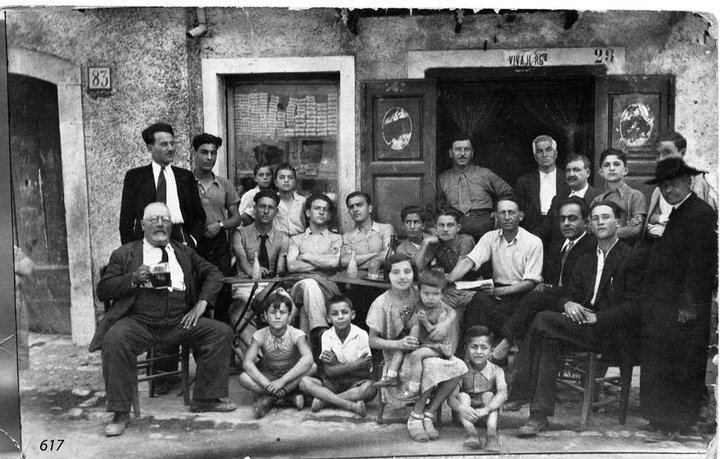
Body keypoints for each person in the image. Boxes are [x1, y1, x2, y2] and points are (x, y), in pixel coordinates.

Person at [90, 202, 235, 437]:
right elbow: (103, 289)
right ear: (142, 225)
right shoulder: (125, 253)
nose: (160, 224)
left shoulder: (183, 252)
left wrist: (201, 304)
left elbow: (214, 273)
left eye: (165, 220)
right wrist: (133, 278)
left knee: (220, 332)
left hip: (180, 322)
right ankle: (120, 412)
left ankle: (205, 399)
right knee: (115, 339)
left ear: (171, 225)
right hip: (139, 323)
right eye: (154, 219)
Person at [512, 201, 643, 437]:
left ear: (618, 223)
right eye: (595, 218)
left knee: (543, 319)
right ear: (590, 225)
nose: (600, 222)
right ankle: (538, 416)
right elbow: (570, 293)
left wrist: (598, 318)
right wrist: (568, 304)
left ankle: (519, 389)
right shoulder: (585, 259)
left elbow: (635, 307)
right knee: (548, 339)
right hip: (583, 328)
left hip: (612, 333)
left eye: (605, 217)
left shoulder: (632, 257)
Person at [639, 157, 717, 434]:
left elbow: (700, 265)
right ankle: (661, 418)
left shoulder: (701, 213)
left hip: (685, 304)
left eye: (673, 184)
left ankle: (678, 421)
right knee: (665, 359)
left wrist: (688, 304)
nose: (668, 190)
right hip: (665, 301)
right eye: (663, 186)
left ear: (689, 182)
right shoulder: (679, 212)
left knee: (683, 361)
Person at [366, 254, 467, 442]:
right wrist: (398, 344)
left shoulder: (421, 291)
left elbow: (450, 310)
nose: (402, 277)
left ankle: (429, 412)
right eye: (396, 272)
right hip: (398, 355)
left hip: (426, 347)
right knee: (429, 367)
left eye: (407, 271)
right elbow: (372, 341)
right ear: (387, 276)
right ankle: (416, 416)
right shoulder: (380, 303)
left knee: (460, 367)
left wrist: (445, 324)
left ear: (414, 274)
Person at [496, 197, 596, 368]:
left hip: (574, 304)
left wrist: (547, 290)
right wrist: (545, 285)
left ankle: (504, 346)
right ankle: (514, 360)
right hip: (553, 296)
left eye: (572, 218)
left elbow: (577, 290)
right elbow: (550, 276)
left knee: (534, 299)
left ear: (585, 222)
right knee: (504, 305)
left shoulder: (591, 247)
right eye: (562, 219)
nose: (566, 223)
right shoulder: (559, 244)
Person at [447, 198, 543, 364]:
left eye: (511, 212)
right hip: (497, 291)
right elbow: (469, 260)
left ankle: (494, 356)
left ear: (520, 216)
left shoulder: (533, 241)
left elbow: (530, 283)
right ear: (496, 217)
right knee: (477, 302)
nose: (507, 217)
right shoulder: (490, 237)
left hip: (521, 293)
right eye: (502, 213)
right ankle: (474, 357)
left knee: (514, 311)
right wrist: (449, 279)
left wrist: (500, 292)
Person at [119, 123, 206, 247]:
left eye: (172, 143)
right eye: (164, 144)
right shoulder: (135, 177)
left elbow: (199, 215)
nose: (170, 149)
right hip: (146, 241)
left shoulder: (185, 176)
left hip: (180, 239)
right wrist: (130, 251)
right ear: (150, 148)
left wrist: (192, 240)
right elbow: (126, 219)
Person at [239, 290, 316, 418]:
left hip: (291, 378)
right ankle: (287, 397)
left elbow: (308, 358)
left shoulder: (297, 334)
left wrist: (282, 381)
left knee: (313, 367)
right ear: (265, 316)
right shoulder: (259, 335)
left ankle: (270, 398)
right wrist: (266, 383)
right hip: (269, 376)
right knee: (243, 377)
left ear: (289, 316)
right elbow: (247, 362)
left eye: (282, 312)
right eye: (272, 312)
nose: (278, 316)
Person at [298, 295, 376, 416]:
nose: (340, 317)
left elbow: (365, 372)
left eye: (344, 312)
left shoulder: (361, 335)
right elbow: (329, 372)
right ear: (328, 318)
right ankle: (349, 405)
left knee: (370, 388)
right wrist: (356, 365)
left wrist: (337, 365)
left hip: (355, 383)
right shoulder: (326, 336)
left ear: (352, 315)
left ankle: (325, 401)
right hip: (332, 383)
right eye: (335, 314)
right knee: (304, 382)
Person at [192, 133, 241, 323]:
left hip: (219, 246)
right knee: (196, 294)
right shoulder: (185, 182)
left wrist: (220, 225)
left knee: (222, 297)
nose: (209, 157)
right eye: (204, 152)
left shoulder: (224, 184)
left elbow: (236, 218)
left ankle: (223, 340)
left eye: (213, 153)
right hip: (194, 245)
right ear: (195, 153)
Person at [287, 194, 342, 356]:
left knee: (306, 310)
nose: (321, 212)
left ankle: (308, 358)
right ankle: (321, 332)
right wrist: (323, 261)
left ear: (329, 215)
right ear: (308, 213)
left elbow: (334, 262)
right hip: (298, 287)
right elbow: (292, 266)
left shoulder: (336, 238)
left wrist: (306, 256)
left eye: (325, 209)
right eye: (317, 208)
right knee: (309, 284)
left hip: (327, 290)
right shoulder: (296, 239)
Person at [394, 270, 457, 401]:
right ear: (420, 292)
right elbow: (411, 325)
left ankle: (414, 388)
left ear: (442, 294)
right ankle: (391, 376)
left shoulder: (442, 312)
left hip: (438, 347)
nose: (430, 298)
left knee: (416, 355)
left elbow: (437, 337)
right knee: (401, 347)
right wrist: (411, 321)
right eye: (426, 293)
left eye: (435, 294)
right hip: (424, 344)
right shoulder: (420, 306)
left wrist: (426, 322)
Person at [436, 136, 514, 241]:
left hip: (484, 223)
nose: (462, 154)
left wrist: (498, 211)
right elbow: (440, 208)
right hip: (457, 226)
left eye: (466, 149)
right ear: (450, 153)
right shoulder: (442, 179)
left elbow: (508, 192)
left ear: (472, 153)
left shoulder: (485, 174)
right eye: (458, 149)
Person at [230, 190, 290, 325]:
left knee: (287, 306)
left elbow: (280, 273)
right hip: (245, 285)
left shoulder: (282, 238)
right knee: (237, 310)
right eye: (262, 206)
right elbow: (243, 263)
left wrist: (265, 292)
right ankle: (251, 340)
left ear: (276, 211)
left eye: (271, 208)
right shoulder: (240, 234)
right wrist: (254, 272)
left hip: (271, 286)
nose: (266, 211)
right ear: (255, 208)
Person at [643, 131, 718, 240]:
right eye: (657, 155)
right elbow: (650, 221)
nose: (661, 159)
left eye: (667, 153)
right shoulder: (659, 188)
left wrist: (664, 225)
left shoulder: (701, 184)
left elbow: (704, 225)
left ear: (682, 153)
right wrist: (660, 219)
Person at [447, 326, 507, 452]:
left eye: (484, 347)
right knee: (463, 396)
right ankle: (472, 434)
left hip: (488, 415)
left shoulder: (497, 370)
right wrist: (462, 409)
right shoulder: (461, 370)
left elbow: (503, 394)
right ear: (466, 349)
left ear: (491, 350)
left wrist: (486, 409)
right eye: (474, 347)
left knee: (489, 395)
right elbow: (451, 399)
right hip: (466, 415)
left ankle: (491, 436)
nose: (478, 352)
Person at [414, 207, 476, 312]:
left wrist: (435, 277)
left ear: (458, 227)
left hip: (466, 288)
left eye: (450, 225)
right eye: (441, 225)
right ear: (436, 227)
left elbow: (457, 275)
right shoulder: (434, 243)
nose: (445, 229)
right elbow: (417, 267)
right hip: (446, 289)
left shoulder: (465, 240)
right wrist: (425, 243)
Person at [590, 148, 647, 246]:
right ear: (601, 172)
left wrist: (603, 231)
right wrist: (625, 228)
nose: (612, 168)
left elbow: (635, 230)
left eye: (616, 164)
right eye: (606, 165)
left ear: (625, 170)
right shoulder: (597, 200)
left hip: (628, 249)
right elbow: (590, 228)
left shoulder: (635, 196)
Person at [515, 135, 569, 237]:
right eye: (540, 151)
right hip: (533, 232)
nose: (544, 155)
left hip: (561, 231)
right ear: (535, 157)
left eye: (548, 150)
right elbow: (519, 210)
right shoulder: (524, 182)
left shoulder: (567, 178)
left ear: (555, 153)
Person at [539, 154, 600, 243]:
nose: (571, 174)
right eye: (568, 170)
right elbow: (545, 229)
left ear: (587, 173)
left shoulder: (598, 198)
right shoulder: (558, 200)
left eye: (576, 170)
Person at [340, 191, 395, 270]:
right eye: (351, 207)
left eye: (359, 205)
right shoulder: (347, 236)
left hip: (382, 276)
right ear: (349, 212)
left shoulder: (386, 229)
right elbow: (344, 261)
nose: (355, 209)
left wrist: (356, 263)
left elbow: (388, 255)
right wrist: (373, 254)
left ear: (369, 208)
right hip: (357, 277)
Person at [14, 245, 35, 371]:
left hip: (15, 296)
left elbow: (28, 266)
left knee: (21, 338)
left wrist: (13, 266)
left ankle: (22, 372)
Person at [274, 163, 306, 237]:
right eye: (282, 177)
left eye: (290, 177)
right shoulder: (271, 201)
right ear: (275, 183)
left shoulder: (302, 201)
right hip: (277, 240)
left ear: (295, 182)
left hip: (299, 239)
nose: (286, 180)